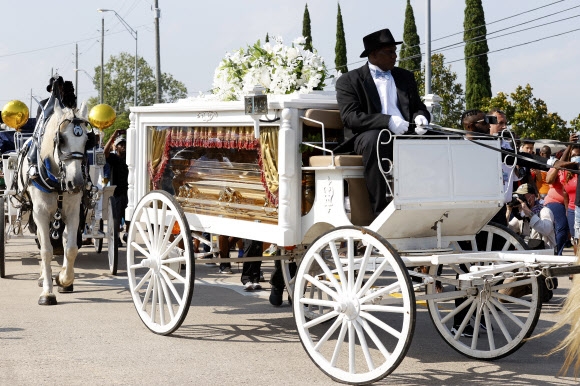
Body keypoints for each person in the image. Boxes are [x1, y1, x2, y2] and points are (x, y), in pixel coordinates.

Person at [335, 28, 430, 216]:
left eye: (395, 52)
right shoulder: (349, 80)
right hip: (366, 136)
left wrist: (422, 117)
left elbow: (419, 107)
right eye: (390, 52)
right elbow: (350, 117)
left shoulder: (405, 77)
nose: (395, 56)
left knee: (442, 139)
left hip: (405, 132)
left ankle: (432, 203)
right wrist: (386, 121)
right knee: (377, 139)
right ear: (373, 54)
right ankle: (380, 211)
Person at [104, 130, 129, 242]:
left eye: (124, 144)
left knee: (129, 215)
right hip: (117, 192)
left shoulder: (130, 158)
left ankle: (127, 234)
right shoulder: (114, 159)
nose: (123, 147)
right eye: (120, 145)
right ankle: (117, 237)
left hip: (128, 191)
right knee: (117, 216)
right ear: (116, 147)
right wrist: (113, 137)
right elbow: (105, 152)